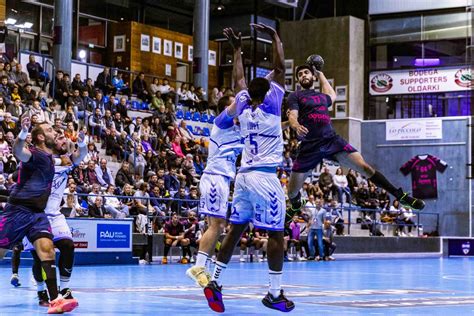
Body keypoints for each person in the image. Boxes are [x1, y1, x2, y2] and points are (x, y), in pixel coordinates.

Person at [204, 24, 294, 313]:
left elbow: (239, 79)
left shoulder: (242, 104)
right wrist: (275, 37)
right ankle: (274, 292)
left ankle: (215, 281)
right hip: (265, 178)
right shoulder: (273, 103)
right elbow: (279, 66)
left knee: (236, 229)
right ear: (269, 91)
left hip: (242, 177)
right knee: (277, 234)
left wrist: (237, 49)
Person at [287, 58, 425, 214]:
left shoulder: (321, 97)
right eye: (300, 74)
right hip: (310, 146)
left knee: (365, 168)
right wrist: (296, 125)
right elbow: (292, 115)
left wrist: (320, 74)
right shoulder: (295, 96)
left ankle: (400, 196)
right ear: (298, 80)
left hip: (332, 141)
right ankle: (297, 203)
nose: (303, 75)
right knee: (291, 192)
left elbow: (332, 95)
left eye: (307, 72)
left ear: (312, 77)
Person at [0, 117, 78, 313]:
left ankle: (55, 300)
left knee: (47, 250)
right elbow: (19, 151)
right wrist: (23, 132)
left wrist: (76, 149)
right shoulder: (33, 155)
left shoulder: (51, 158)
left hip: (37, 213)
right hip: (17, 211)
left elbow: (67, 160)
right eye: (51, 130)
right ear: (42, 137)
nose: (55, 132)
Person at [22, 129, 87, 306]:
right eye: (59, 138)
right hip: (34, 213)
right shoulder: (41, 159)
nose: (63, 140)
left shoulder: (67, 162)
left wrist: (81, 143)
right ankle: (41, 291)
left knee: (67, 245)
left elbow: (82, 154)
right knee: (40, 257)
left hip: (54, 214)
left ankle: (64, 288)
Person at [185, 94, 242, 287]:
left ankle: (202, 267)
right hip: (215, 178)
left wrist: (288, 123)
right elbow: (239, 103)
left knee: (217, 226)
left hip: (222, 180)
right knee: (217, 225)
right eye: (234, 101)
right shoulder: (221, 122)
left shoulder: (238, 130)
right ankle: (198, 267)